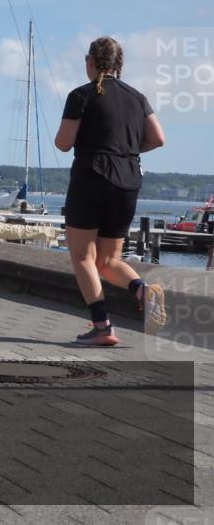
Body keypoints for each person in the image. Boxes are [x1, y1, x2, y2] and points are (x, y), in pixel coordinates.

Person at [55, 36, 167, 346]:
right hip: (128, 180)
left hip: (92, 176)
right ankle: (143, 290)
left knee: (83, 256)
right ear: (119, 66)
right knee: (108, 261)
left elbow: (64, 143)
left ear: (91, 61)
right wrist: (128, 149)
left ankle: (102, 326)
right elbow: (158, 138)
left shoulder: (82, 95)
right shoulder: (137, 97)